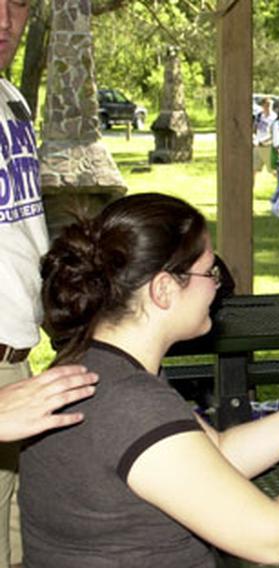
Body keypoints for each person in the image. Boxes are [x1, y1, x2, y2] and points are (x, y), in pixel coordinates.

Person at [21, 193, 279, 565]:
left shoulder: (96, 366)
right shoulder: (131, 403)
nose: (217, 284)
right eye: (209, 271)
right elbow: (274, 538)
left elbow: (219, 454)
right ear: (163, 289)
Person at [0, 1, 100, 563]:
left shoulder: (10, 100)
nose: (4, 20)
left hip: (18, 358)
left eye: (17, 3)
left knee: (25, 540)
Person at [251, 97, 275, 174]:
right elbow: (254, 128)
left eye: (270, 105)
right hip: (258, 145)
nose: (268, 107)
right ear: (262, 106)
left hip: (268, 146)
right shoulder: (259, 116)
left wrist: (268, 141)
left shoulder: (274, 118)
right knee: (253, 169)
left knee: (273, 170)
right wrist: (254, 138)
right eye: (267, 105)